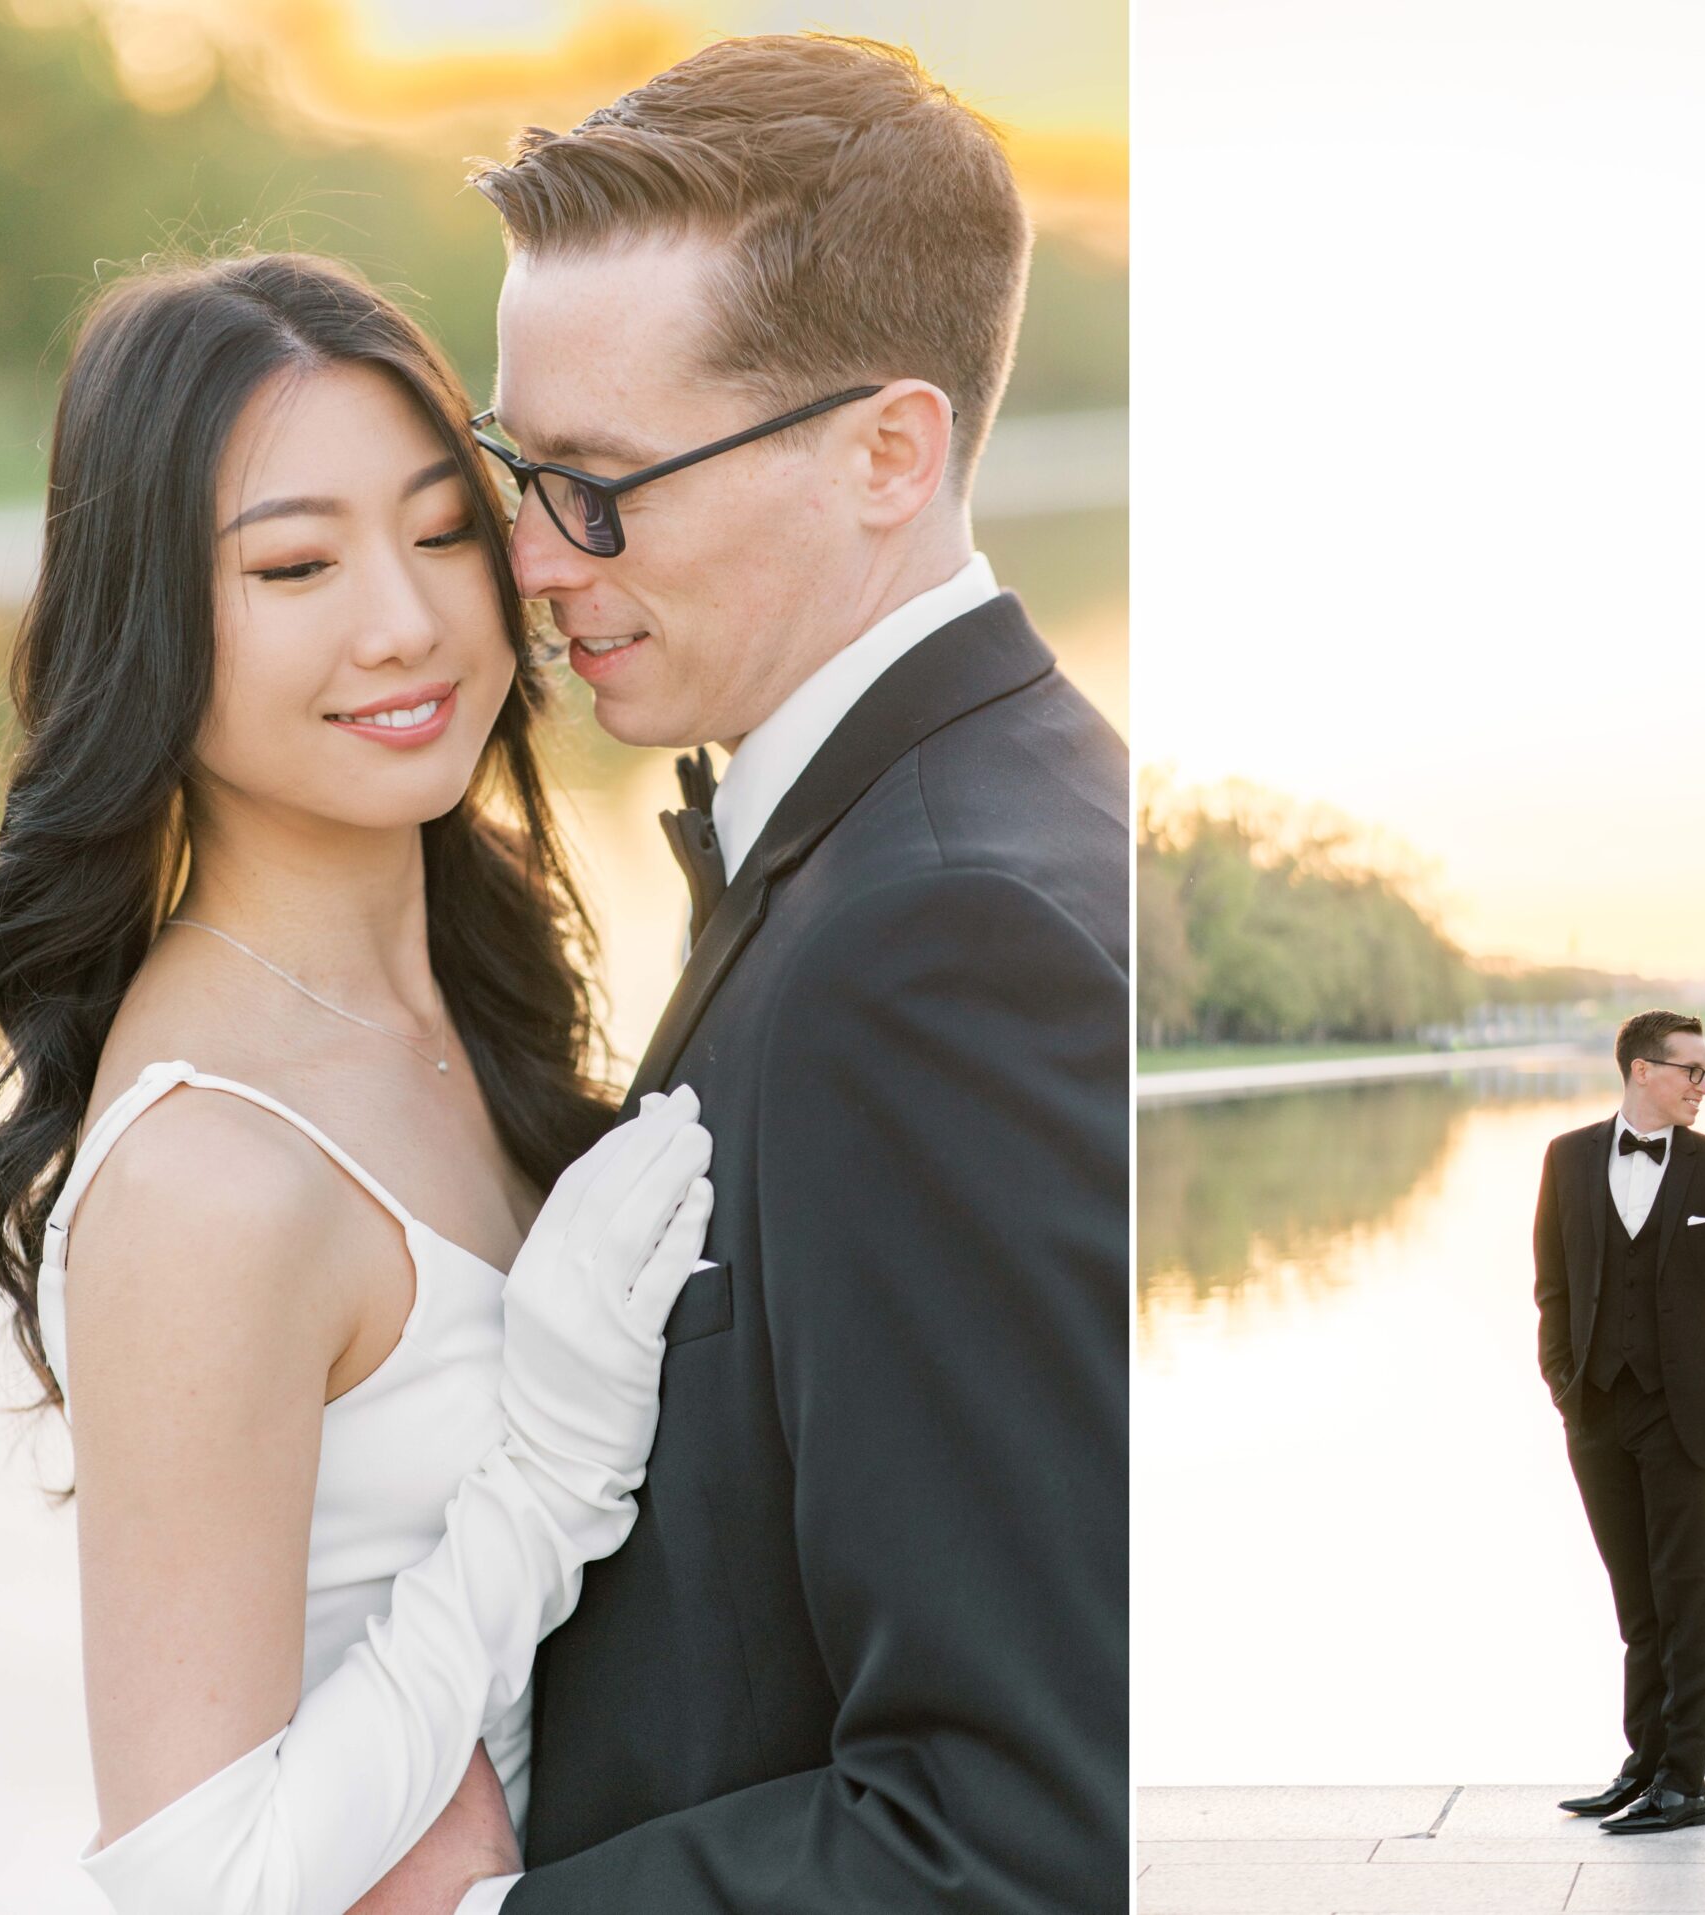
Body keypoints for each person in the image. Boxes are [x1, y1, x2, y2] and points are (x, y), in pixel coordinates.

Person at [425, 32, 1128, 1912]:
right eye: (516, 467)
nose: (525, 558)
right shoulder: (941, 834)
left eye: (595, 484)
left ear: (889, 452)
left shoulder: (938, 951)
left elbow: (1022, 1830)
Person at [0, 249, 719, 1911]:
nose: (407, 619)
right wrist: (547, 1476)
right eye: (294, 564)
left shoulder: (472, 1004)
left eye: (445, 531)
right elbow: (203, 1887)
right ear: (149, 623)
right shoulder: (212, 1176)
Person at [1533, 1009, 1705, 1834]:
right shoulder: (1567, 1157)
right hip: (1596, 1412)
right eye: (1691, 1070)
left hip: (1683, 1417)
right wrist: (1562, 1383)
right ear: (1641, 1070)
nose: (1703, 1085)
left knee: (1687, 1599)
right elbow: (1551, 1284)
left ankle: (1685, 1780)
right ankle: (1642, 1762)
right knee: (1635, 1601)